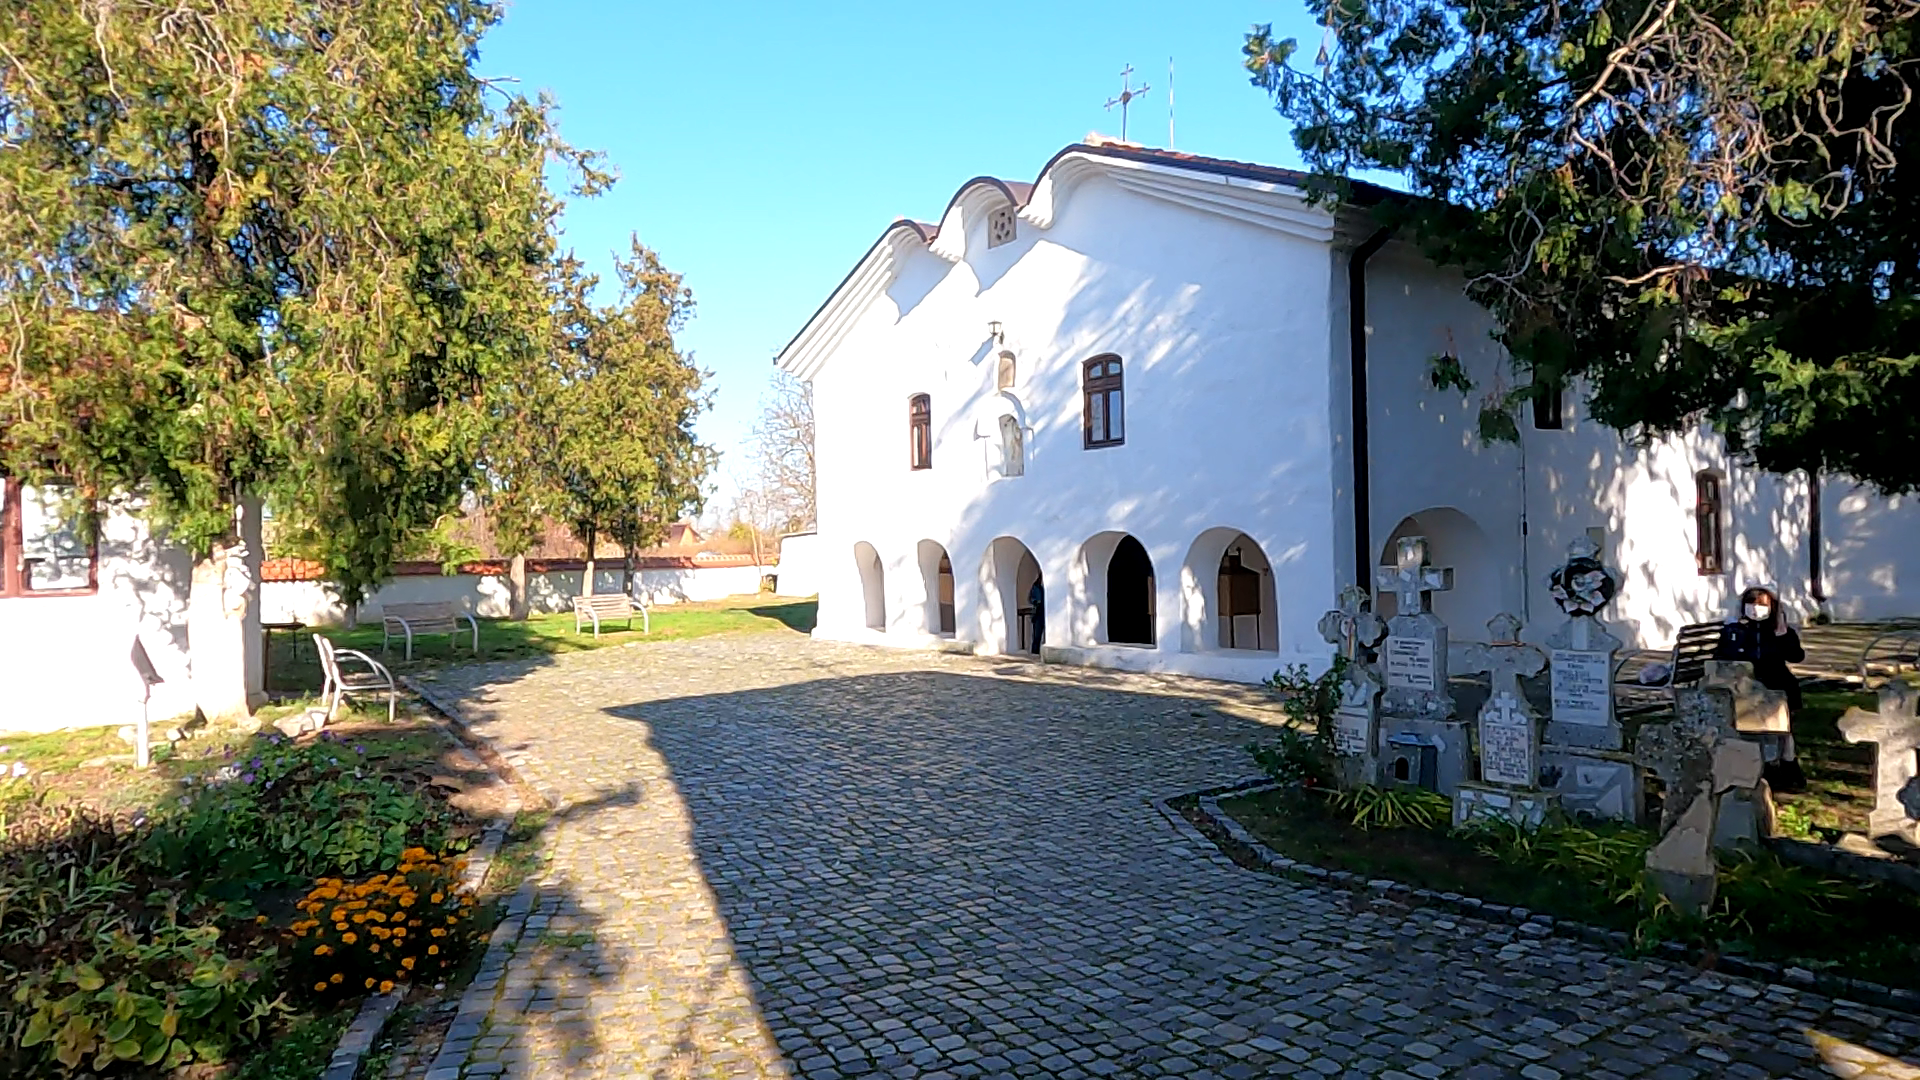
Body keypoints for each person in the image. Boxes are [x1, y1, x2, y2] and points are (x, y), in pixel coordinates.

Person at [1714, 585, 1807, 792]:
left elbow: (1796, 656)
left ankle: (1788, 765)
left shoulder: (1778, 631)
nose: (1756, 609)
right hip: (1744, 685)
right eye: (1751, 604)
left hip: (1776, 682)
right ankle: (1764, 766)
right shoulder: (1735, 631)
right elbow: (1721, 657)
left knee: (1781, 721)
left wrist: (1782, 634)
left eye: (1762, 605)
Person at [1027, 577, 1045, 655]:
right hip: (1038, 613)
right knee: (1036, 635)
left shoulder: (1043, 588)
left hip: (1045, 612)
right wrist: (1035, 602)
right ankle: (1035, 652)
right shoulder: (1036, 587)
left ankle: (1037, 651)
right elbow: (1030, 598)